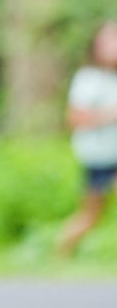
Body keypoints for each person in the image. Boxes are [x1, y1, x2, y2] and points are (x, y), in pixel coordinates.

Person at [57, 21, 117, 256]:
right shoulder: (88, 78)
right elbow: (74, 119)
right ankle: (60, 252)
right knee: (90, 215)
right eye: (109, 41)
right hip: (99, 156)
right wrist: (109, 114)